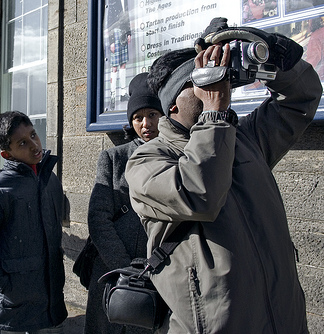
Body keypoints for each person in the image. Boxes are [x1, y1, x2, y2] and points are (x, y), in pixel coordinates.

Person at [125, 21, 322, 333]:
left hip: (284, 319)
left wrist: (279, 60)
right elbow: (200, 194)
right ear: (173, 103)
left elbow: (303, 97)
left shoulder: (244, 139)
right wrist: (214, 114)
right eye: (199, 80)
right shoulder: (146, 161)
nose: (216, 84)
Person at [0, 111, 67, 334]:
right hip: (12, 308)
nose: (34, 144)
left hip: (48, 303)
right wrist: (7, 286)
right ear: (7, 153)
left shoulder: (50, 180)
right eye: (22, 142)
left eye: (33, 135)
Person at [84, 72, 163, 334]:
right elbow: (98, 218)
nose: (146, 123)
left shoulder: (176, 158)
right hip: (114, 273)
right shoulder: (114, 158)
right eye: (138, 117)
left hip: (159, 275)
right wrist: (125, 267)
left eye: (152, 114)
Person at [106, 0, 131, 110]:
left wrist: (129, 33)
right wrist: (111, 41)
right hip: (115, 33)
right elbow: (109, 22)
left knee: (123, 65)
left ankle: (123, 93)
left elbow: (127, 16)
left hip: (124, 32)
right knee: (114, 67)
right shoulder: (112, 1)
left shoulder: (125, 1)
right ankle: (112, 96)